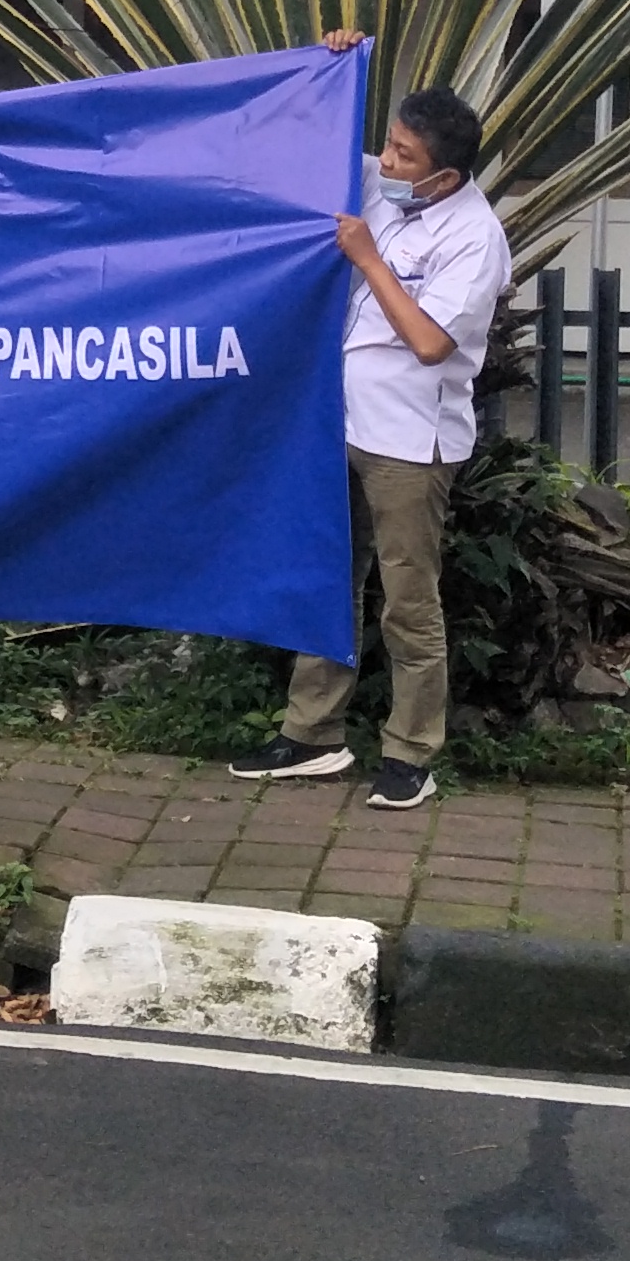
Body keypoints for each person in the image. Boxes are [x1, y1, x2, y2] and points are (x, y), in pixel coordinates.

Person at [232, 59, 512, 811]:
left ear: (444, 177)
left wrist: (368, 257)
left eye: (402, 155)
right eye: (387, 144)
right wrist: (328, 60)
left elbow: (429, 341)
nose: (385, 162)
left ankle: (410, 753)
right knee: (330, 578)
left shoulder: (474, 238)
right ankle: (312, 734)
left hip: (410, 445)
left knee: (407, 600)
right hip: (341, 424)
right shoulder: (384, 189)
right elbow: (306, 140)